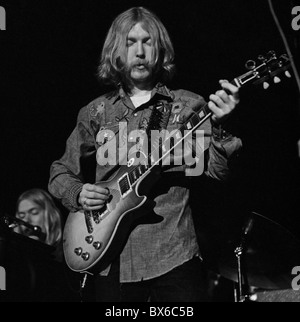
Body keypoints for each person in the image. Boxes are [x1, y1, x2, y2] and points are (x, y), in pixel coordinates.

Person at [48, 6, 242, 302]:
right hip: (110, 258)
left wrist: (218, 124)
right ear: (117, 51)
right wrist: (77, 192)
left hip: (174, 255)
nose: (139, 51)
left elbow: (218, 171)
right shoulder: (96, 112)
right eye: (130, 42)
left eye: (147, 42)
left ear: (160, 50)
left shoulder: (189, 106)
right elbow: (60, 171)